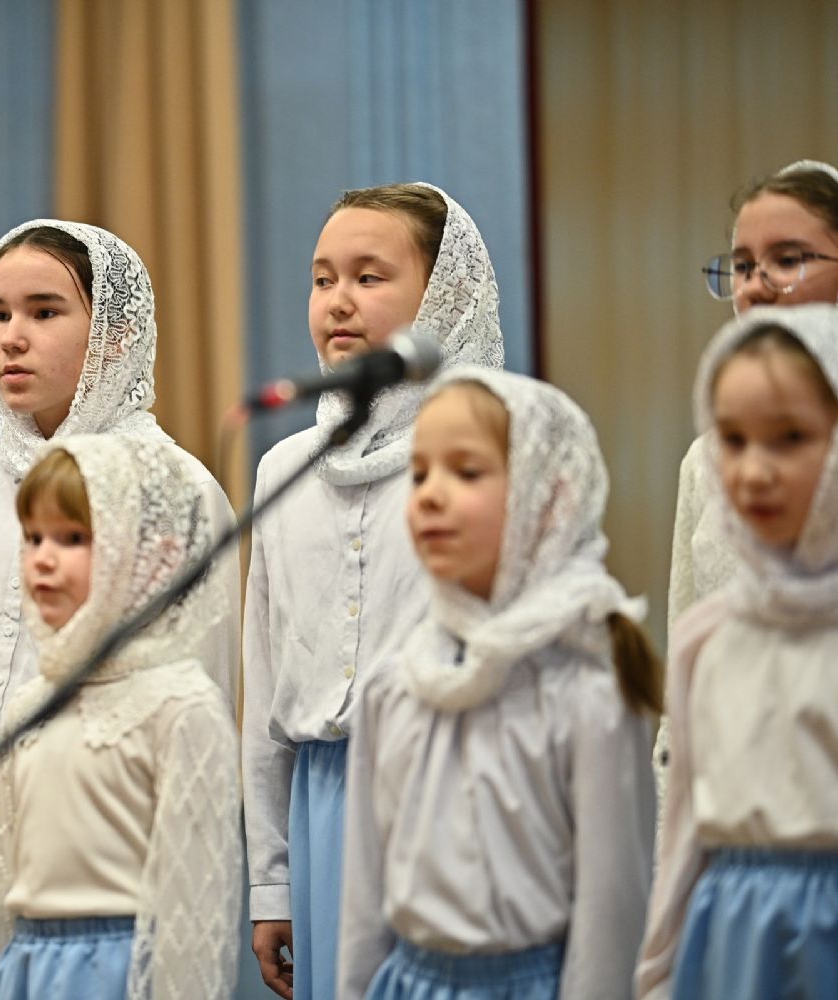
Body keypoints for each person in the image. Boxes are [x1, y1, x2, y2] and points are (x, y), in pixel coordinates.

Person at [0, 220, 241, 997]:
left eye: (44, 311)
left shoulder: (175, 490)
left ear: (114, 333)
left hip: (110, 842)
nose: (12, 337)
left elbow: (203, 706)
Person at [243, 183, 504, 1000]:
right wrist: (271, 881)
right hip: (321, 809)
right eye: (322, 279)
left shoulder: (493, 453)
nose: (337, 301)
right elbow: (265, 687)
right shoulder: (283, 470)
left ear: (444, 298)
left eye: (368, 276)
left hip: (455, 800)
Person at [339, 368, 659, 999]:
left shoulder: (586, 690)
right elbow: (362, 904)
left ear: (549, 499)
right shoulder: (396, 684)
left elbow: (610, 913)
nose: (430, 495)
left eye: (466, 472)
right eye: (420, 473)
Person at [0, 433, 241, 1000]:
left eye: (73, 538)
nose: (42, 557)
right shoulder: (31, 705)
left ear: (148, 557)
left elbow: (195, 908)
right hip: (26, 970)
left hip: (118, 971)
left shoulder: (180, 704)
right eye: (33, 536)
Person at [639, 304, 838, 998]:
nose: (753, 471)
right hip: (722, 936)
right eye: (732, 440)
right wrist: (656, 974)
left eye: (789, 439)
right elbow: (683, 834)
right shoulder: (705, 638)